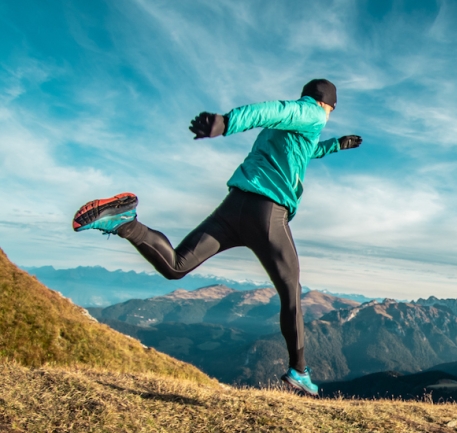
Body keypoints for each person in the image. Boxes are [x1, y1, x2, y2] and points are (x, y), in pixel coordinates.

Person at [72, 78, 361, 397]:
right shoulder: (313, 113)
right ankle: (299, 371)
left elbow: (304, 151)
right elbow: (272, 109)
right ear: (327, 104)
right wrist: (226, 123)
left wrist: (336, 145)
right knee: (291, 290)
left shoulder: (287, 132)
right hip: (267, 213)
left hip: (235, 206)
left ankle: (125, 222)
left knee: (176, 265)